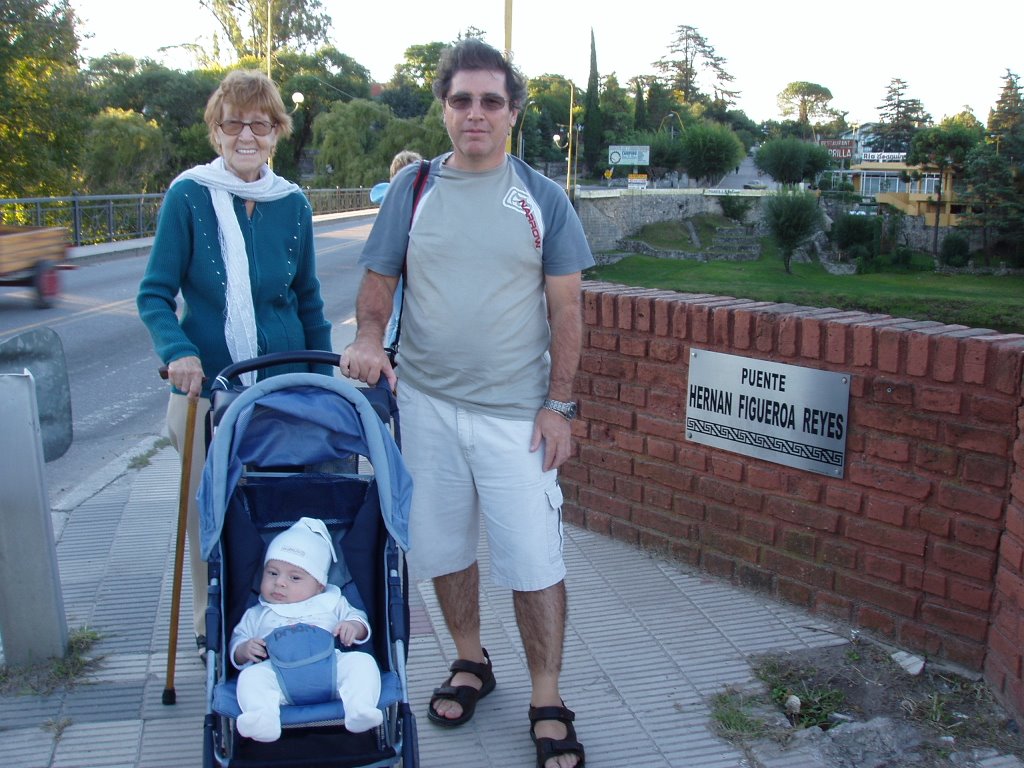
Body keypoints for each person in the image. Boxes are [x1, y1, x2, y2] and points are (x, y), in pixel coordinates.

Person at [342, 38, 593, 768]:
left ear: (513, 112)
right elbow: (379, 282)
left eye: (490, 101)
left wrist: (561, 407)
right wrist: (366, 337)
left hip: (518, 417)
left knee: (533, 561)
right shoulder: (411, 190)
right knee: (445, 550)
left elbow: (568, 314)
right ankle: (470, 659)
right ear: (444, 109)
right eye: (461, 100)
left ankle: (547, 697)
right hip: (423, 406)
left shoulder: (542, 200)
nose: (474, 113)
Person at [137, 69, 333, 659]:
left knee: (285, 508)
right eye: (233, 122)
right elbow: (154, 295)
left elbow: (309, 301)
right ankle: (210, 619)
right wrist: (180, 352)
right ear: (215, 130)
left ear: (277, 131)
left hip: (282, 389)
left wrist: (325, 392)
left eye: (260, 123)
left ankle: (289, 613)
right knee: (209, 510)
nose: (245, 135)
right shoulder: (188, 196)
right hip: (206, 391)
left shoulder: (293, 204)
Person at [230, 517, 383, 742]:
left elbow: (358, 619)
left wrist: (353, 627)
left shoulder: (331, 602)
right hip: (278, 676)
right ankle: (262, 718)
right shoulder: (258, 613)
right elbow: (237, 641)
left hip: (330, 670)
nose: (280, 582)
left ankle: (360, 707)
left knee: (362, 663)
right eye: (272, 573)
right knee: (251, 677)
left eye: (294, 577)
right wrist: (243, 649)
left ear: (319, 585)